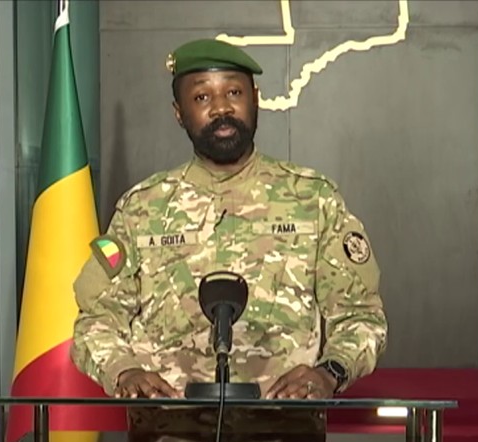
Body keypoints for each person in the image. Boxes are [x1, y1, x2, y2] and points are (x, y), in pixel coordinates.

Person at [70, 38, 388, 412]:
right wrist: (124, 372)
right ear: (178, 112)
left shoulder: (313, 199)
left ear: (254, 98)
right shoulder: (142, 208)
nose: (221, 108)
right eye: (202, 98)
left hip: (287, 434)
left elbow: (360, 315)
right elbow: (95, 320)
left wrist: (329, 372)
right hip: (167, 435)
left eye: (234, 92)